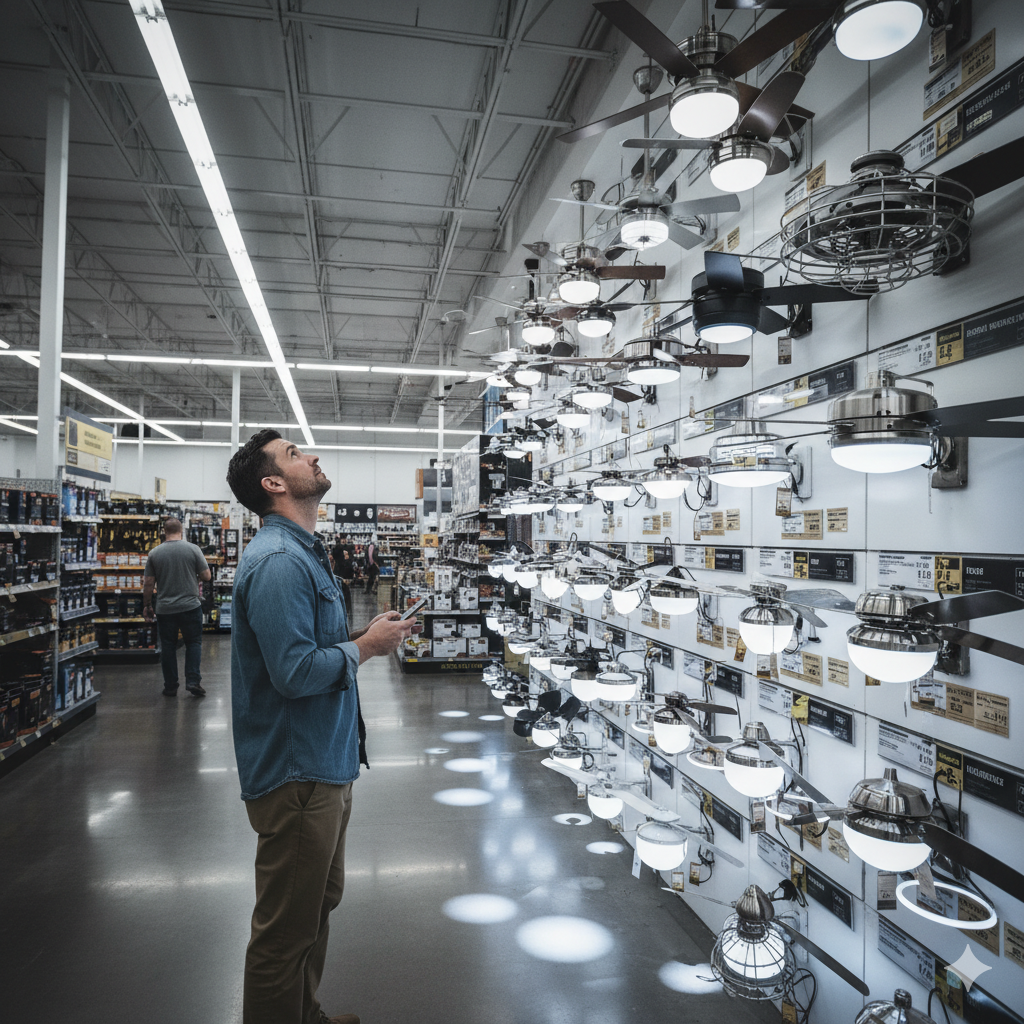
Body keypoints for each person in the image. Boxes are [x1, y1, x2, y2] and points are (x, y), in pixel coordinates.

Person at [226, 428, 413, 1024]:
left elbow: (312, 649)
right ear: (274, 483)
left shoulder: (303, 551)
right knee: (285, 930)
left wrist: (362, 637)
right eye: (293, 454)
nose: (312, 457)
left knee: (316, 905)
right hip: (297, 773)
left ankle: (304, 1015)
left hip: (323, 763)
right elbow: (294, 673)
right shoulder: (281, 562)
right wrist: (368, 649)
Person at [143, 517, 212, 697]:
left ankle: (171, 686)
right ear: (181, 531)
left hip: (165, 609)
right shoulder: (193, 549)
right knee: (194, 643)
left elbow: (148, 583)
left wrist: (147, 605)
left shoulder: (154, 553)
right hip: (190, 606)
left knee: (168, 646)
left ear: (164, 532)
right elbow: (207, 576)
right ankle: (193, 681)